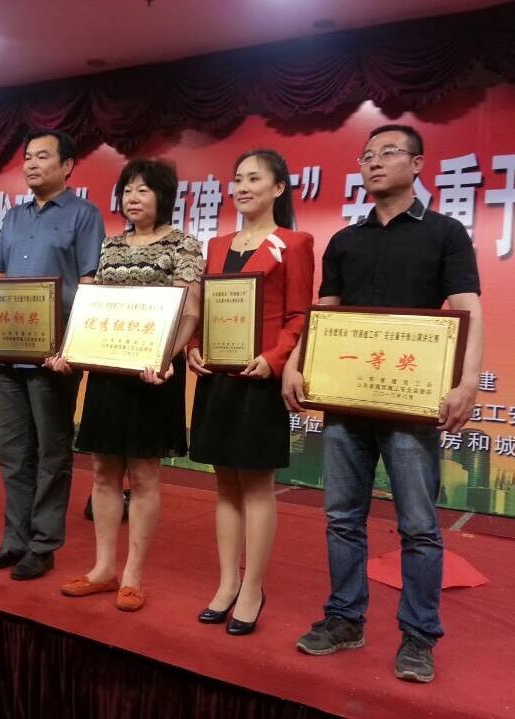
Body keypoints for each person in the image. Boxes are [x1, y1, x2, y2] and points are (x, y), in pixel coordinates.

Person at [283, 125, 483, 683]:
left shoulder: (445, 233)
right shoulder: (346, 240)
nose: (373, 162)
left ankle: (419, 635)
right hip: (346, 401)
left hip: (409, 406)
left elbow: (468, 307)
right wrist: (296, 362)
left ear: (417, 164)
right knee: (342, 518)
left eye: (387, 153)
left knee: (418, 526)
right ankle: (344, 619)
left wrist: (468, 380)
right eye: (366, 155)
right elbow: (324, 314)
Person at [56, 158, 203, 611]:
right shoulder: (111, 246)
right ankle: (103, 569)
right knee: (103, 470)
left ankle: (133, 575)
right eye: (127, 190)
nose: (133, 198)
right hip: (109, 373)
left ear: (163, 196)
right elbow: (93, 308)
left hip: (153, 377)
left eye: (143, 190)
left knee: (143, 474)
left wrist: (166, 357)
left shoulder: (183, 245)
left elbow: (190, 311)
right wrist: (69, 349)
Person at [187, 150, 314, 634]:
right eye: (237, 179)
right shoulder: (217, 245)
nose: (242, 187)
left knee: (257, 486)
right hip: (218, 377)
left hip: (260, 378)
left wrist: (276, 359)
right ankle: (227, 582)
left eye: (254, 179)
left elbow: (299, 316)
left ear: (278, 188)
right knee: (224, 484)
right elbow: (206, 309)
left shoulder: (294, 243)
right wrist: (194, 347)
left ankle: (253, 589)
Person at [0, 128, 104, 580]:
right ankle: (14, 541)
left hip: (54, 357)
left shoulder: (84, 216)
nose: (31, 163)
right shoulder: (13, 217)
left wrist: (71, 348)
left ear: (67, 166)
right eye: (27, 156)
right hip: (9, 353)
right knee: (12, 452)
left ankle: (43, 545)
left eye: (42, 156)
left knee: (52, 453)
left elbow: (89, 286)